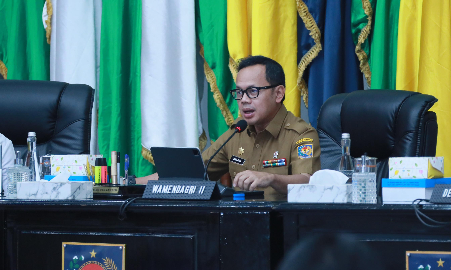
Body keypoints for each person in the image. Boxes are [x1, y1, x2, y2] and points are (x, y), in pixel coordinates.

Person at [137, 55, 321, 198]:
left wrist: (271, 178)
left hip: (283, 226)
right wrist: (129, 182)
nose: (244, 100)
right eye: (239, 92)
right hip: (238, 224)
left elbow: (309, 182)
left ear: (278, 93)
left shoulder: (301, 134)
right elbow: (189, 173)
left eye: (253, 91)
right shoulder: (238, 132)